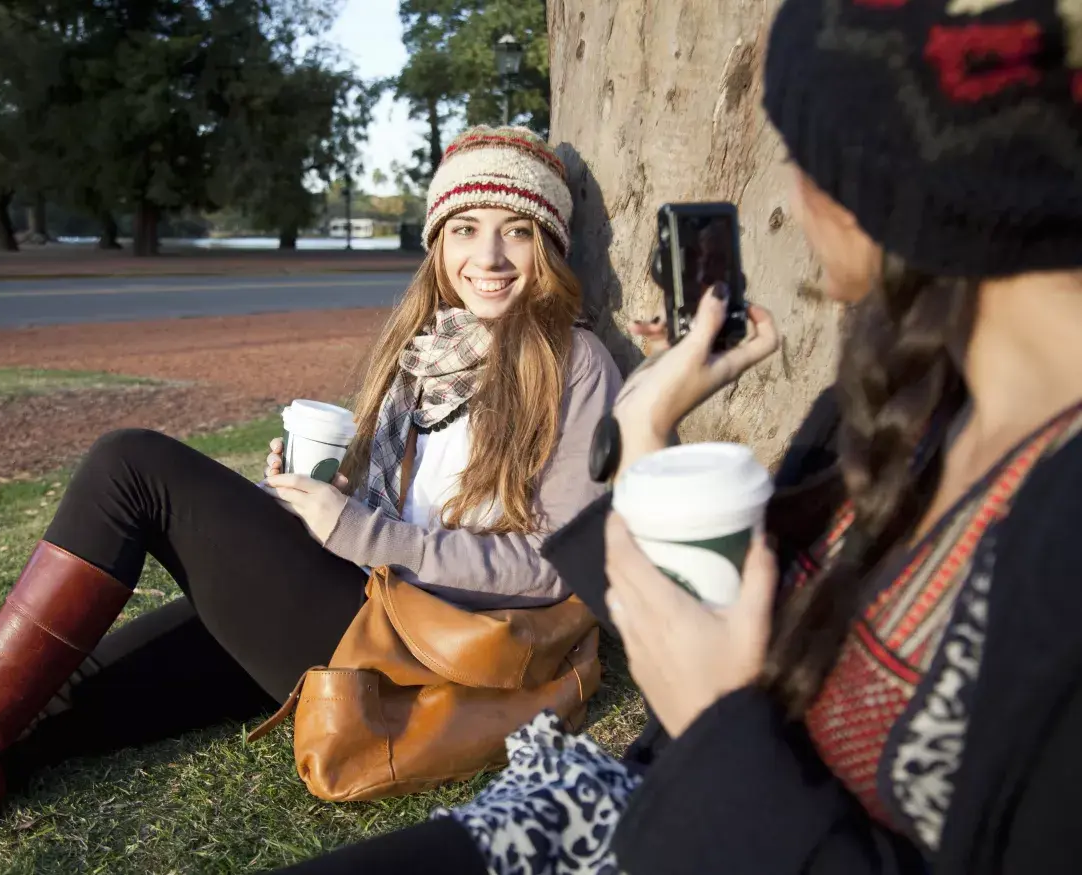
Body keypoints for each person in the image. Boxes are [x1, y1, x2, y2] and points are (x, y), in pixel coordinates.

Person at [257, 1, 1082, 872]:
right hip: (627, 803)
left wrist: (719, 721)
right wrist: (646, 424)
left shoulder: (1055, 524)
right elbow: (687, 598)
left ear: (868, 177)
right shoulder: (886, 407)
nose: (795, 200)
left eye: (799, 156)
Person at [0, 126, 622, 872]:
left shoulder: (575, 363)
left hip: (426, 653)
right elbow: (401, 507)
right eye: (465, 229)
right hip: (357, 602)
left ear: (548, 245)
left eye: (516, 231)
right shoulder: (432, 350)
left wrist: (357, 530)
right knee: (72, 688)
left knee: (132, 465)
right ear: (438, 243)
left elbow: (555, 566)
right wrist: (327, 495)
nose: (489, 256)